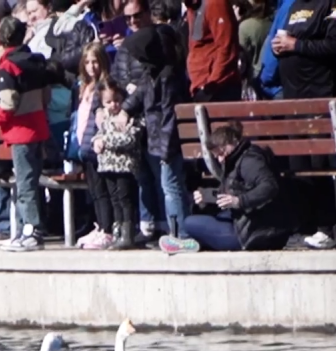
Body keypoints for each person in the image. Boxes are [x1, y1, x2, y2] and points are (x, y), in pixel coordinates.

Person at [164, 122, 294, 253]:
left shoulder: (250, 160)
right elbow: (233, 190)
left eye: (221, 153)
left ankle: (195, 243)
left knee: (190, 223)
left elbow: (269, 186)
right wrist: (206, 195)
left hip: (254, 233)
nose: (220, 159)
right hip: (250, 224)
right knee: (210, 215)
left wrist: (239, 201)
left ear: (232, 143)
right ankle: (198, 242)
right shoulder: (237, 159)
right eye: (217, 156)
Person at [0, 16, 56, 251]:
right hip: (39, 127)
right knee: (33, 181)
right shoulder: (37, 61)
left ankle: (31, 231)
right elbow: (47, 96)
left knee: (25, 183)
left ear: (0, 39)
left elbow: (8, 103)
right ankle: (31, 228)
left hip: (20, 132)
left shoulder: (7, 66)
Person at [122, 27, 190, 242]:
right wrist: (125, 109)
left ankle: (180, 233)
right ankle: (177, 231)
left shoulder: (168, 77)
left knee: (171, 187)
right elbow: (141, 93)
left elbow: (170, 115)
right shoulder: (151, 73)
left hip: (168, 144)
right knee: (168, 185)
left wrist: (166, 151)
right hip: (156, 139)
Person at [90, 83, 143, 250]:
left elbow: (129, 139)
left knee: (125, 198)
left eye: (117, 100)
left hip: (124, 166)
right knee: (114, 199)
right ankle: (117, 231)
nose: (114, 105)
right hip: (107, 166)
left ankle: (128, 234)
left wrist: (105, 141)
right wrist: (96, 141)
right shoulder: (104, 119)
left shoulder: (129, 118)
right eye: (108, 102)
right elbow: (99, 134)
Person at [74, 43, 117, 248]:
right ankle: (100, 226)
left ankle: (107, 229)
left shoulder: (105, 85)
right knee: (94, 190)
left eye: (95, 61)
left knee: (102, 190)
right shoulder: (84, 86)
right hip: (85, 145)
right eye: (88, 62)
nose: (91, 66)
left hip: (98, 145)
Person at [268, 0, 336, 99]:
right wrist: (278, 47)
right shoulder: (295, 5)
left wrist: (296, 45)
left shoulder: (330, 3)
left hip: (318, 92)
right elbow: (290, 41)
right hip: (291, 92)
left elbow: (333, 45)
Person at [183, 0, 240, 100]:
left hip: (217, 86)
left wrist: (211, 84)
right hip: (199, 84)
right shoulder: (191, 7)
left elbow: (226, 46)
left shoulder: (215, 3)